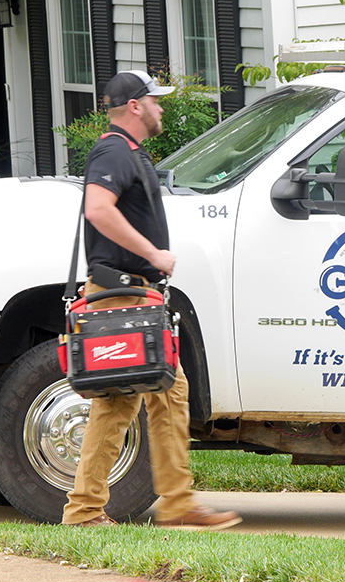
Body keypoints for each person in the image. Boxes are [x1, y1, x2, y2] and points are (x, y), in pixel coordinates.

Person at [63, 69, 241, 531]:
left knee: (156, 394)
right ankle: (97, 511)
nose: (162, 107)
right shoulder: (113, 151)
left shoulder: (130, 153)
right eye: (156, 101)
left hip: (132, 292)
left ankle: (160, 504)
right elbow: (98, 209)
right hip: (119, 292)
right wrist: (154, 253)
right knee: (131, 399)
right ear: (136, 107)